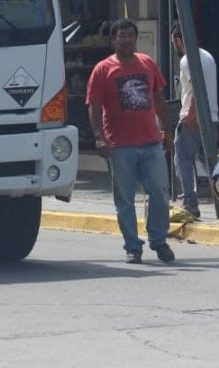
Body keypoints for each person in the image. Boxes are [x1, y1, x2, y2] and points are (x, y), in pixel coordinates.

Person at [86, 17, 176, 264]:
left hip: (150, 142)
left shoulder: (147, 64)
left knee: (159, 191)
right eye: (121, 35)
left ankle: (159, 240)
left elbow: (158, 99)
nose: (126, 39)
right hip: (120, 145)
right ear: (113, 40)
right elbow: (93, 105)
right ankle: (133, 247)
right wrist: (98, 137)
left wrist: (167, 131)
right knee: (124, 198)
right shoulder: (103, 69)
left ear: (136, 39)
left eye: (130, 35)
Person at [171, 22, 219, 219]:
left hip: (193, 118)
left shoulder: (187, 59)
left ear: (178, 40)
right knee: (210, 163)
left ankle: (190, 202)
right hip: (212, 117)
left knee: (182, 159)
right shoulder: (208, 56)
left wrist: (190, 114)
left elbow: (195, 88)